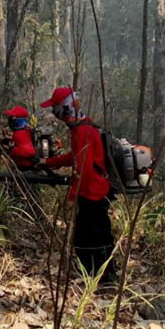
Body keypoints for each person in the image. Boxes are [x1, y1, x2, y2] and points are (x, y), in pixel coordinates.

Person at [37, 87, 115, 279]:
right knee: (88, 236)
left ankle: (103, 276)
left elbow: (83, 168)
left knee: (93, 237)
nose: (54, 112)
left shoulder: (83, 131)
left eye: (55, 107)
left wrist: (72, 196)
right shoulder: (80, 128)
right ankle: (94, 273)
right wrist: (49, 162)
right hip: (91, 192)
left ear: (65, 107)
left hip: (94, 193)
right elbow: (75, 157)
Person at [2, 105, 36, 171]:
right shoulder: (25, 131)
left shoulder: (20, 133)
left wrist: (11, 150)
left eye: (13, 117)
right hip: (22, 166)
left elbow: (30, 152)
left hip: (26, 168)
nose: (10, 119)